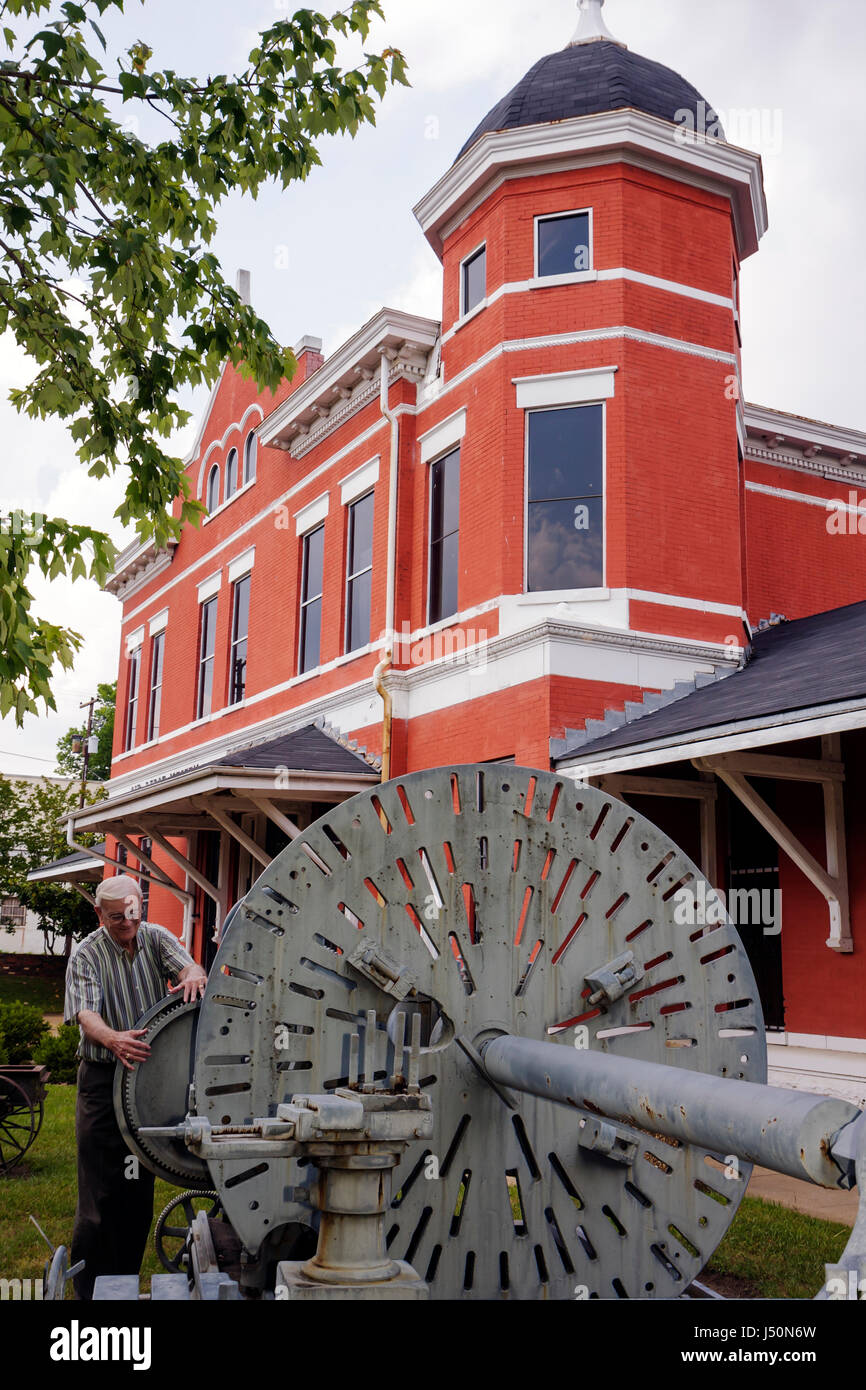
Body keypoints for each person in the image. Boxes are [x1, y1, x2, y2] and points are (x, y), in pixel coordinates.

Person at [64, 873, 208, 1300]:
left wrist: (194, 974)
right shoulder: (87, 954)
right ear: (99, 914)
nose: (126, 924)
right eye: (116, 918)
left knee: (137, 1190)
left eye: (131, 914)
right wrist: (113, 1038)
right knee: (98, 1196)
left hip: (145, 1085)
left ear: (139, 907)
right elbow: (86, 1016)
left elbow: (189, 965)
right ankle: (88, 1290)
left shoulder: (156, 937)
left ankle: (122, 1285)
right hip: (103, 1078)